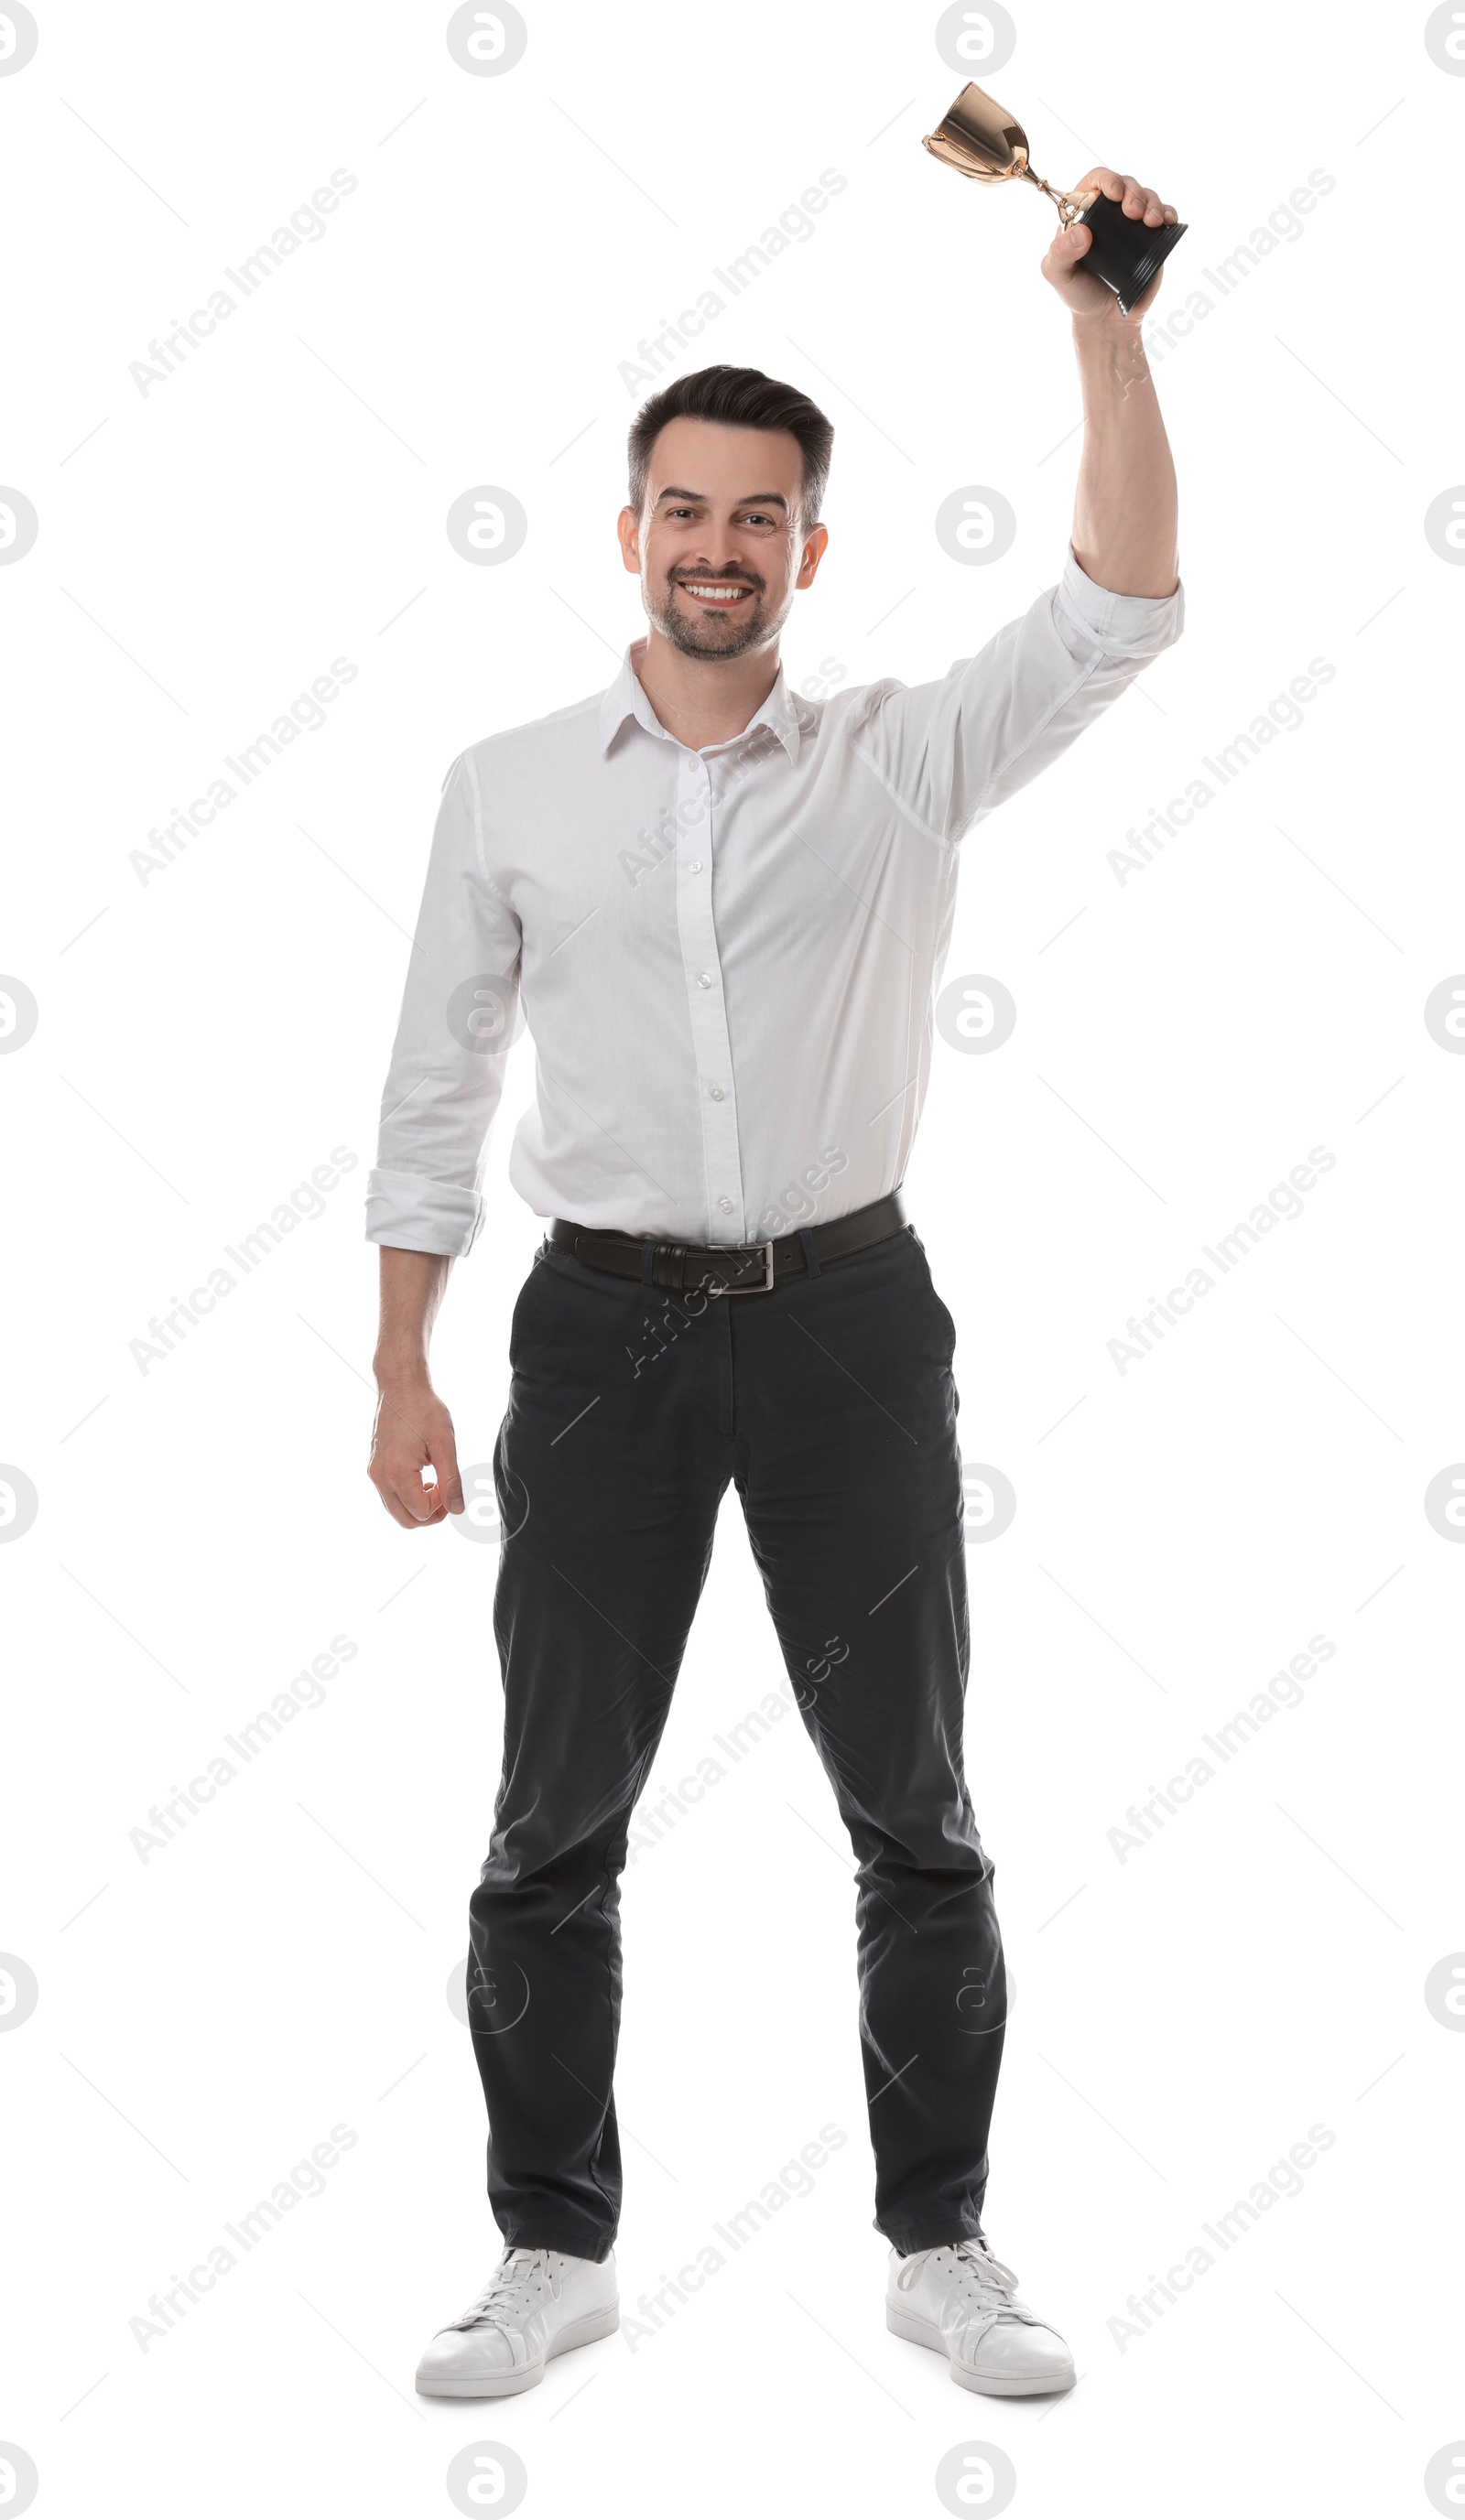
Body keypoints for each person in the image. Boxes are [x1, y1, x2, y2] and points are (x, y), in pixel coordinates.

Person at [366, 168, 1183, 2401]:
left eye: (760, 517)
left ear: (806, 551)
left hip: (842, 1323)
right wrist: (398, 1371)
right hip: (595, 1336)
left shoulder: (898, 763)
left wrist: (1101, 326)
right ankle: (554, 2252)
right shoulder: (510, 788)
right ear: (628, 530)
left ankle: (941, 2246)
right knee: (552, 1826)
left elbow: (1121, 602)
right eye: (680, 508)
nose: (716, 545)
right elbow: (433, 1085)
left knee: (911, 1814)